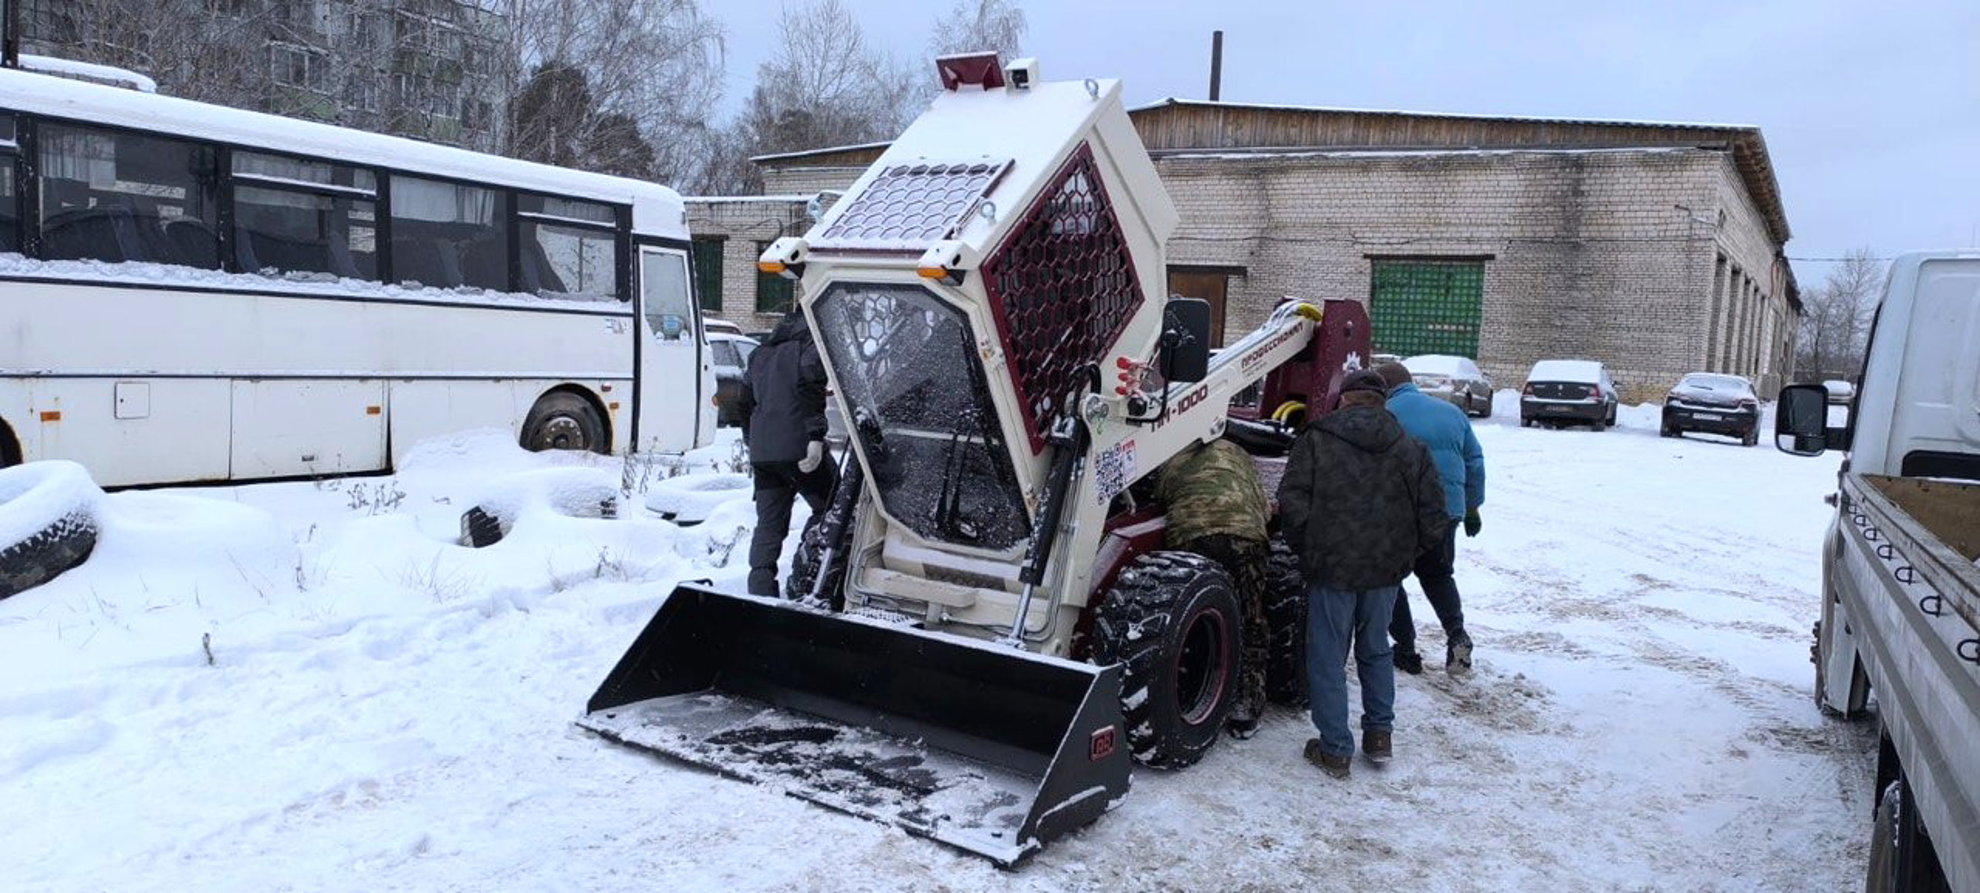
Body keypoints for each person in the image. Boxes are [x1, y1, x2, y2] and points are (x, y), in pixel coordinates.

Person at [1277, 370, 1447, 779]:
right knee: (1376, 651)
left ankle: (1335, 749)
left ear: (1344, 401)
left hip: (1330, 568)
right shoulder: (1412, 448)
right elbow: (1433, 518)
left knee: (1327, 658)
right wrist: (1403, 557)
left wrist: (1309, 548)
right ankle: (1379, 736)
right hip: (1385, 573)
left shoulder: (1316, 440)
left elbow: (1291, 501)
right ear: (1382, 402)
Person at [1153, 437, 1272, 739]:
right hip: (1244, 534)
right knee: (1251, 616)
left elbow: (1160, 496)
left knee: (1196, 616)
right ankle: (1246, 708)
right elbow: (1263, 506)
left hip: (1189, 534)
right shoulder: (1239, 454)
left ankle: (1194, 688)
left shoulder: (1171, 455)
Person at [1374, 361, 1486, 674]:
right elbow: (1474, 461)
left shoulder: (1385, 415)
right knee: (1438, 575)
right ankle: (1457, 634)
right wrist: (1473, 507)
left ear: (1384, 387)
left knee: (1391, 579)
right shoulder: (1452, 413)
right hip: (1446, 511)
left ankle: (1406, 649)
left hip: (1399, 513)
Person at [733, 309, 838, 597]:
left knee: (768, 524)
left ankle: (760, 591)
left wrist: (751, 440)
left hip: (763, 455)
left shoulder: (759, 354)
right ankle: (808, 570)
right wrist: (816, 437)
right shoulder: (808, 347)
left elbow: (743, 402)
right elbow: (809, 388)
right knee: (833, 506)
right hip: (799, 448)